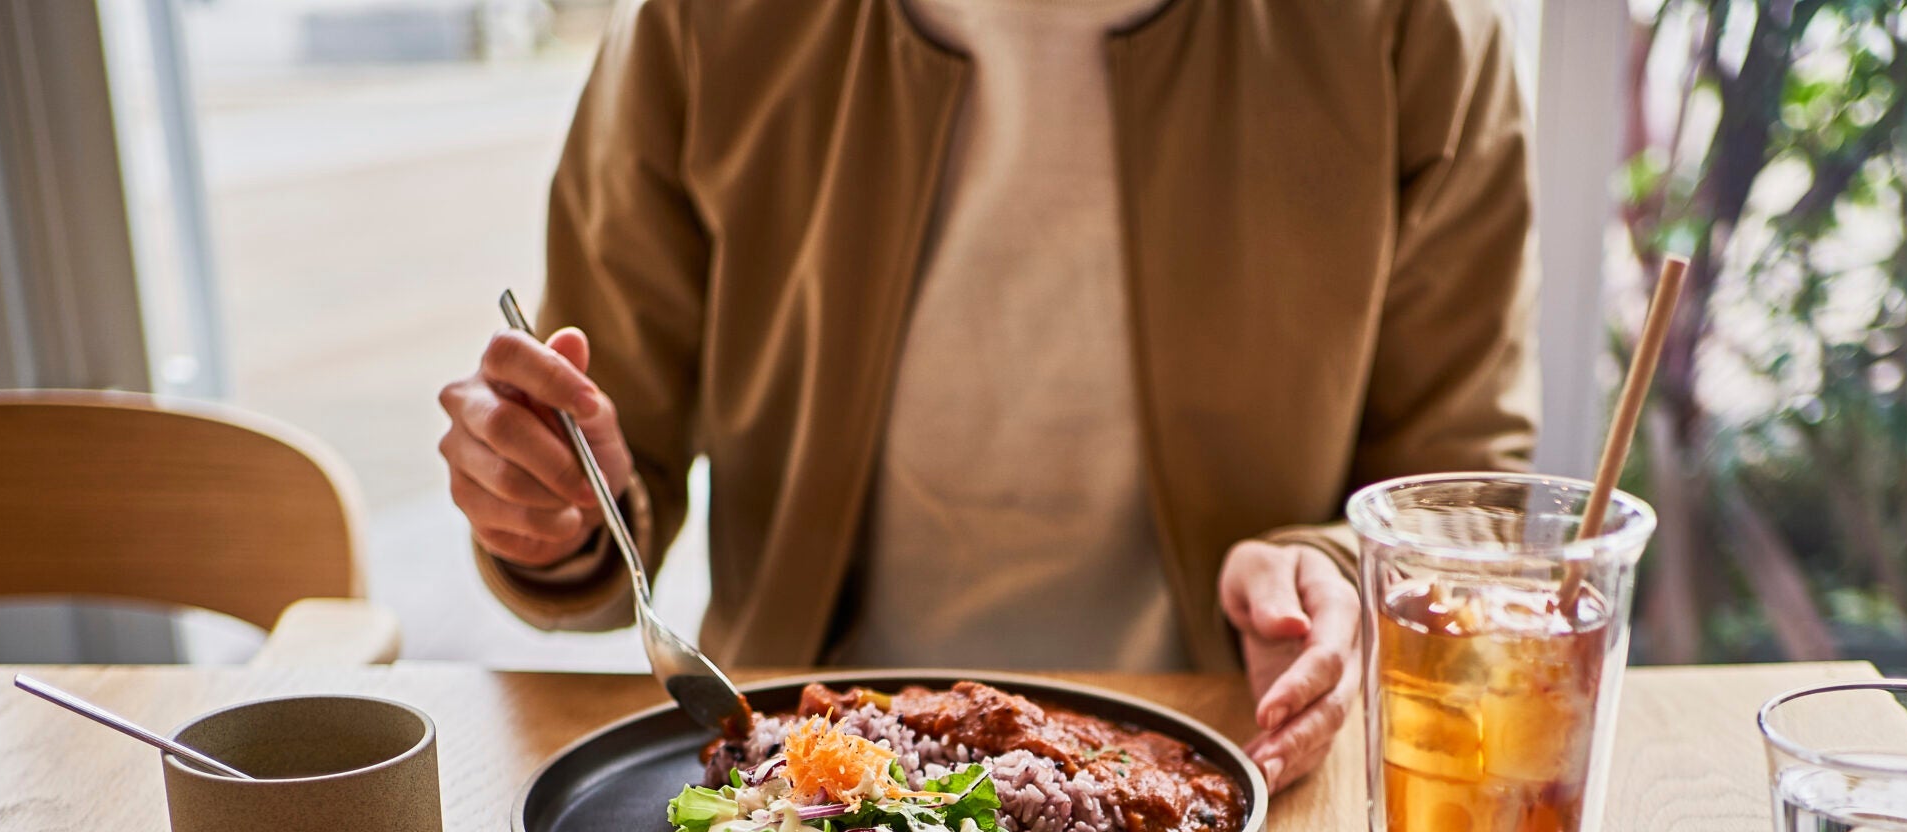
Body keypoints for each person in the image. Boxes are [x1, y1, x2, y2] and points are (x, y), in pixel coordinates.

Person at [439, 0, 1535, 790]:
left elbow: (1464, 486)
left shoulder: (1414, 34)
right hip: (796, 762)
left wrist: (1334, 568)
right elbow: (597, 466)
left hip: (1232, 761)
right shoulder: (701, 28)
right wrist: (549, 510)